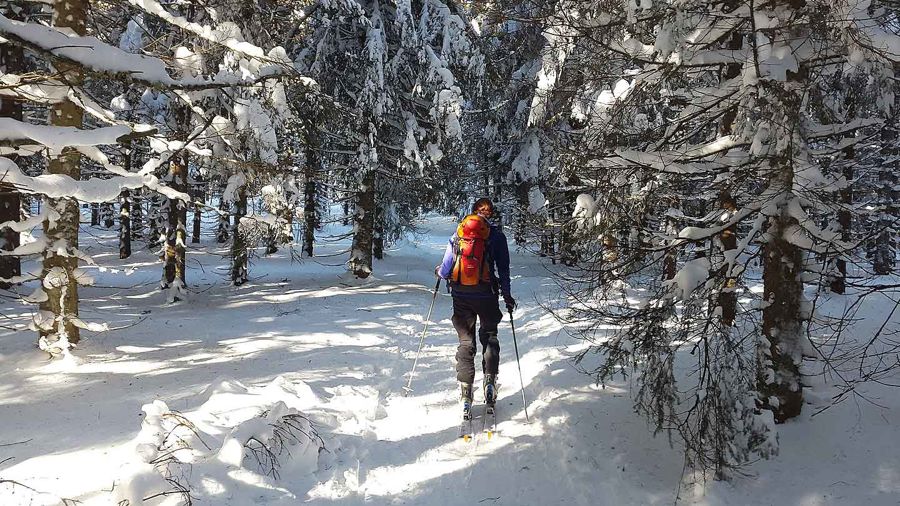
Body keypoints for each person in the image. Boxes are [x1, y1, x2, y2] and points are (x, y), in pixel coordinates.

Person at [436, 198, 515, 420]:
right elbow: (504, 269)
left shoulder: (459, 233)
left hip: (461, 295)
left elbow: (446, 267)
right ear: (491, 214)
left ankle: (466, 393)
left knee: (466, 342)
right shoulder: (496, 236)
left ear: (472, 212)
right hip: (486, 294)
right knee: (489, 337)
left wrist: (440, 273)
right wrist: (507, 295)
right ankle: (489, 383)